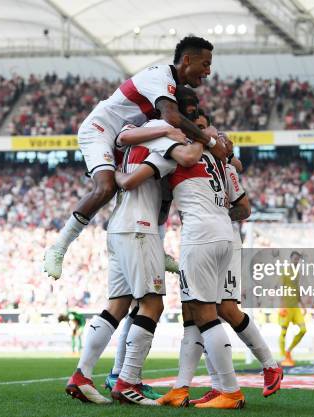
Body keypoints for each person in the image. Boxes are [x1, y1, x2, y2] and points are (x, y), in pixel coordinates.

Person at [64, 87, 207, 406]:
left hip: (118, 226)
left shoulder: (133, 131)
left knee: (117, 304)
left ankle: (81, 376)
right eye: (191, 116)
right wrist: (204, 137)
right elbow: (188, 157)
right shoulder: (169, 140)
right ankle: (127, 381)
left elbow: (121, 143)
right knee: (153, 304)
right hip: (139, 229)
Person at [44, 36, 222, 280]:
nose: (208, 72)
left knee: (164, 182)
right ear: (187, 60)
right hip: (101, 130)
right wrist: (209, 140)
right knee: (106, 187)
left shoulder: (173, 87)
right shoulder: (161, 76)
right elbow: (171, 118)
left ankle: (158, 248)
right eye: (205, 64)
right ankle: (59, 247)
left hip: (125, 135)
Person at [116, 107, 245, 409]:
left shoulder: (179, 150)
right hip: (216, 233)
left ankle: (229, 390)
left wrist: (111, 172)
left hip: (197, 236)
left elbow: (132, 174)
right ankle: (179, 387)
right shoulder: (205, 151)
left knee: (200, 313)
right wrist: (211, 139)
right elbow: (233, 161)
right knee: (190, 314)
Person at [278, 251, 307, 367]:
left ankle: (288, 350)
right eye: (295, 259)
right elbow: (281, 287)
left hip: (296, 306)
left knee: (303, 330)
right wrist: (282, 305)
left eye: (298, 259)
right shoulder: (285, 271)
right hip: (287, 306)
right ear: (291, 259)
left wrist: (303, 305)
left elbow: (297, 289)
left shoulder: (298, 273)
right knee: (283, 332)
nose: (296, 261)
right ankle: (282, 356)